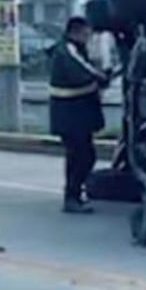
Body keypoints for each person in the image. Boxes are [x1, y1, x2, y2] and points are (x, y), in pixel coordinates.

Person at [48, 17, 110, 214]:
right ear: (75, 32)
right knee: (81, 155)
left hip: (75, 113)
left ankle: (75, 194)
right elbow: (81, 72)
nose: (88, 38)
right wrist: (99, 78)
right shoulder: (67, 51)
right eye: (85, 34)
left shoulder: (74, 49)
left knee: (82, 154)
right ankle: (72, 196)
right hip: (71, 114)